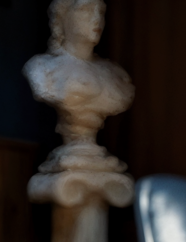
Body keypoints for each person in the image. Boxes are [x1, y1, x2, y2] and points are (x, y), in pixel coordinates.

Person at [24, 0, 134, 174]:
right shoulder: (42, 69)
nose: (97, 18)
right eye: (86, 10)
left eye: (101, 12)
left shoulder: (116, 76)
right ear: (64, 16)